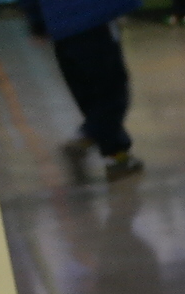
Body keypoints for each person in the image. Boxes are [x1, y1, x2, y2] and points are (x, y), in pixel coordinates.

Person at [19, 0, 146, 181]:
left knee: (88, 94)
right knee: (112, 92)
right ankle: (85, 137)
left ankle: (116, 155)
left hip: (61, 29)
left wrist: (38, 23)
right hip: (94, 21)